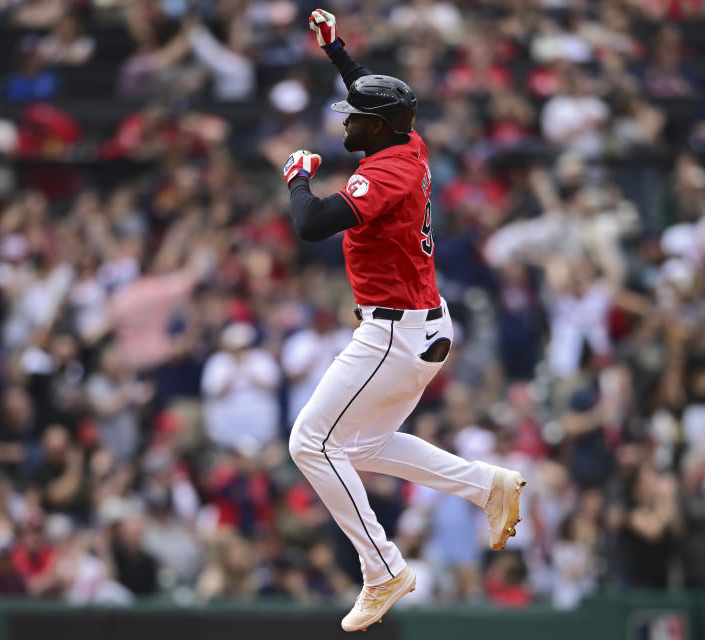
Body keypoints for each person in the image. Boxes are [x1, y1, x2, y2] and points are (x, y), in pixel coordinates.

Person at [280, 9, 525, 632]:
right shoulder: (406, 140)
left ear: (380, 127)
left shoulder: (388, 170)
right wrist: (336, 50)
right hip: (418, 325)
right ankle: (484, 485)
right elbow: (372, 91)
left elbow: (309, 225)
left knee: (310, 443)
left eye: (354, 117)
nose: (345, 120)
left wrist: (298, 179)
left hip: (393, 333)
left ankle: (383, 567)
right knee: (358, 446)